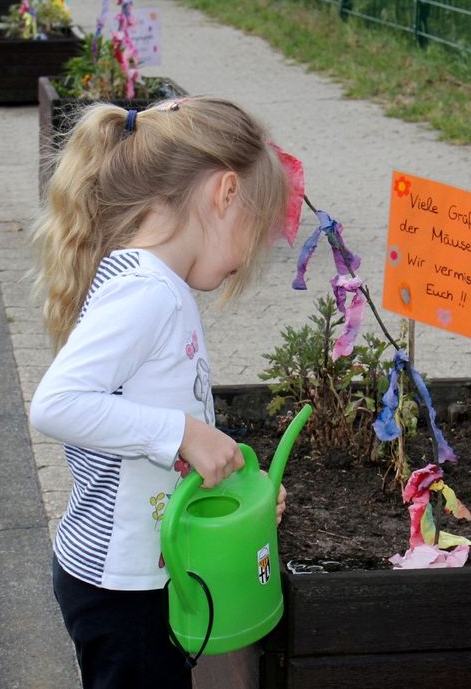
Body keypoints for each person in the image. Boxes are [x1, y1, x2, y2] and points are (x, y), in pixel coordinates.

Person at [29, 96, 303, 689]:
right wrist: (183, 432)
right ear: (225, 194)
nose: (253, 256)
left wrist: (227, 480)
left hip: (147, 571)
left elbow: (150, 421)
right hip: (119, 585)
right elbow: (57, 404)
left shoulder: (160, 287)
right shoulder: (148, 292)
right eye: (258, 229)